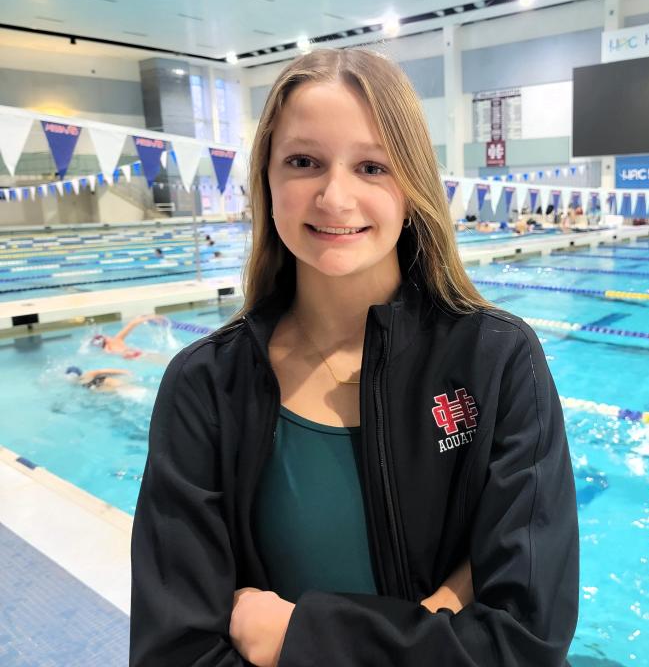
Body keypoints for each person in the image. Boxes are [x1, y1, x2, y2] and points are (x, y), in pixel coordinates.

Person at [130, 48, 579, 667]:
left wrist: (300, 637)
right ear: (267, 178)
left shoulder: (496, 361)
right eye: (303, 161)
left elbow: (523, 642)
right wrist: (434, 619)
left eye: (372, 166)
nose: (334, 197)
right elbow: (174, 650)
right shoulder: (205, 385)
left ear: (414, 184)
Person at [90, 314, 168, 360]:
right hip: (135, 354)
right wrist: (150, 317)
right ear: (106, 339)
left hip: (130, 355)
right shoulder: (117, 339)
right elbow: (132, 324)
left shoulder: (107, 349)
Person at [65, 366, 133, 392]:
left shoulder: (74, 383)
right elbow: (104, 370)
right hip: (97, 381)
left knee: (115, 390)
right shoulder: (88, 374)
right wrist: (123, 372)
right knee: (119, 386)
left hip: (88, 386)